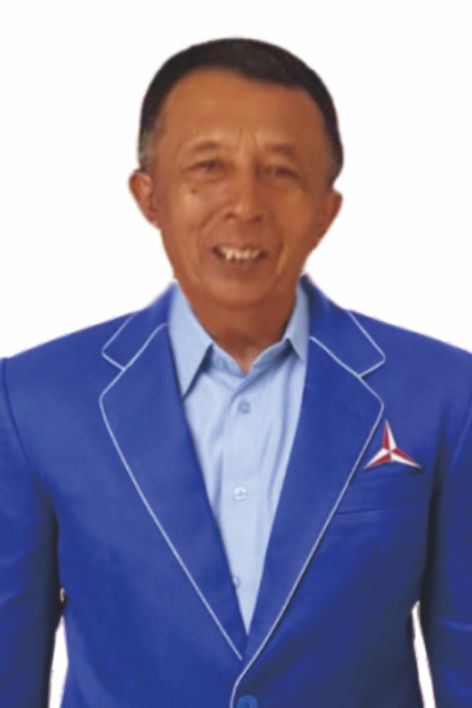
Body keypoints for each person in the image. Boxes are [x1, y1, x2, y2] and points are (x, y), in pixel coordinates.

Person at [0, 36, 471, 708]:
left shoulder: (443, 395)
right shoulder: (34, 403)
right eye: (208, 167)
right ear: (149, 196)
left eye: (281, 171)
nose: (245, 204)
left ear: (326, 210)